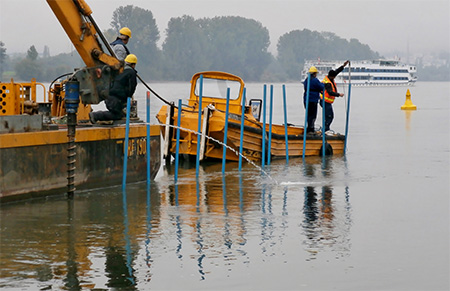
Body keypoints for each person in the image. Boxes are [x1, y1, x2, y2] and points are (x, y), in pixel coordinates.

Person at [89, 54, 138, 123]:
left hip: (109, 97)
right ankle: (95, 116)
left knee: (117, 113)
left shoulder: (119, 70)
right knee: (118, 115)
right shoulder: (131, 73)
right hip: (116, 100)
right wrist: (129, 99)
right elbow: (131, 88)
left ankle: (95, 116)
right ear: (133, 64)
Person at [319, 60, 349, 134]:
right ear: (332, 76)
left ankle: (325, 128)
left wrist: (343, 66)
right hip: (325, 101)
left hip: (327, 102)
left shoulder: (330, 77)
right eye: (334, 76)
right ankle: (325, 129)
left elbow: (337, 71)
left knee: (328, 116)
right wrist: (339, 94)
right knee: (329, 116)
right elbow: (330, 92)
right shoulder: (328, 83)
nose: (335, 77)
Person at [303, 66, 325, 134]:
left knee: (308, 114)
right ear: (314, 73)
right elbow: (321, 87)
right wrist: (323, 84)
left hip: (306, 99)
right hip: (313, 100)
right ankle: (311, 129)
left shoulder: (306, 80)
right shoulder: (315, 80)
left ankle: (308, 128)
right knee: (312, 115)